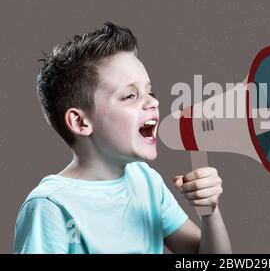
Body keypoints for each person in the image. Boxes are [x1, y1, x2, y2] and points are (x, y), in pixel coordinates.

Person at [13, 22, 232, 254]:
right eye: (129, 96)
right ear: (80, 122)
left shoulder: (146, 181)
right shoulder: (50, 207)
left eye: (150, 92)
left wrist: (210, 211)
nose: (153, 102)